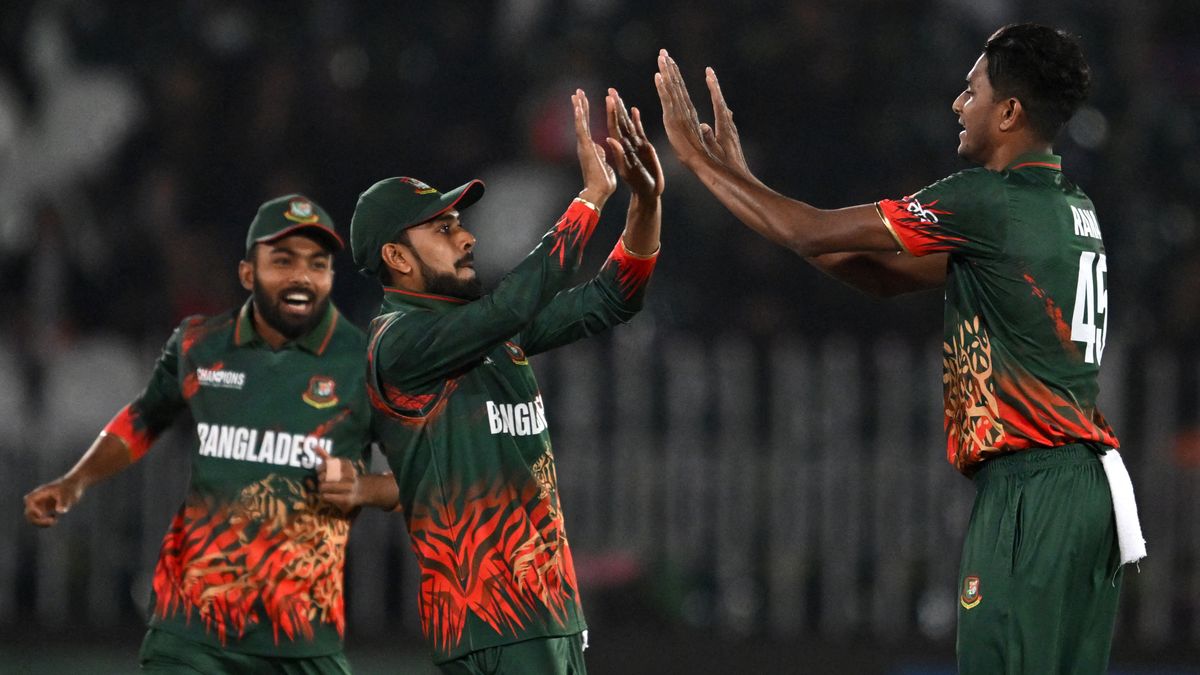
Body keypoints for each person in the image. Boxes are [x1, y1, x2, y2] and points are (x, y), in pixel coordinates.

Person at [654, 23, 1145, 673]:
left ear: (1009, 111)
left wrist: (706, 165)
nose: (956, 105)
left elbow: (811, 232)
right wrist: (749, 188)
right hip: (1091, 491)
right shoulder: (1070, 208)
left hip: (1032, 490)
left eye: (971, 91)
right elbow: (882, 277)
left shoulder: (985, 200)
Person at [343, 88, 662, 674]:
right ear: (396, 256)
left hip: (545, 610)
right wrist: (589, 200)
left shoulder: (478, 330)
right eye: (441, 230)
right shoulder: (399, 343)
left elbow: (613, 298)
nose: (466, 238)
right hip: (494, 616)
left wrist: (645, 201)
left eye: (458, 224)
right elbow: (511, 309)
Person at [23, 195, 399, 674]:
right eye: (283, 261)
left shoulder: (363, 364)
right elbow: (143, 419)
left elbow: (426, 472)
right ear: (247, 273)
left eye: (317, 263)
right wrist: (75, 481)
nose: (301, 276)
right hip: (193, 630)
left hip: (300, 636)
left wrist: (367, 488)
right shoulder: (199, 345)